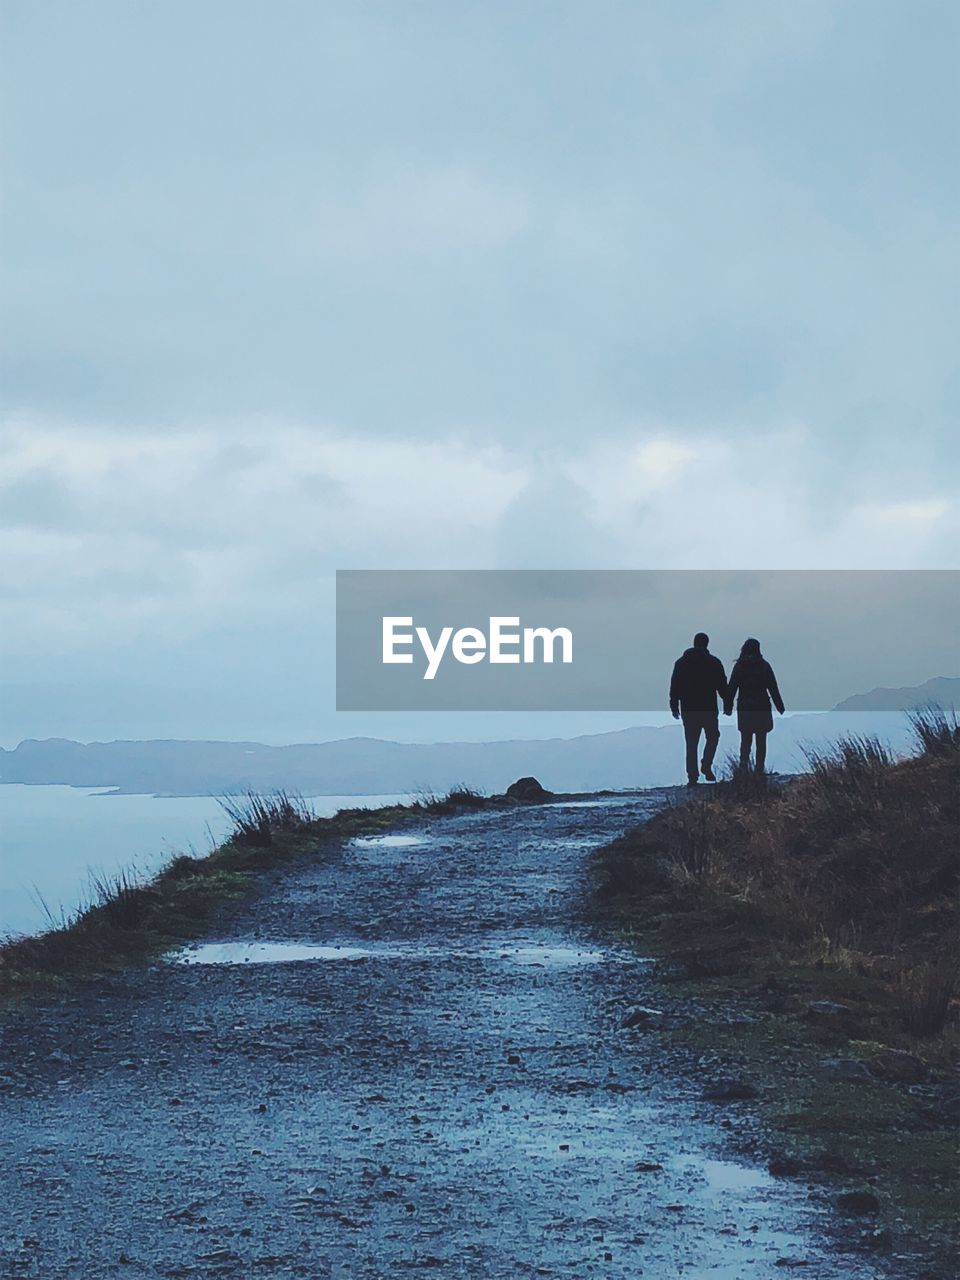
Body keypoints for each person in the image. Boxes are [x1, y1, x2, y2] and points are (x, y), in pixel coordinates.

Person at [669, 632, 729, 786]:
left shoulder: (681, 663)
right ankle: (706, 765)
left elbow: (675, 685)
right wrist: (728, 703)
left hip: (688, 709)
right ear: (707, 644)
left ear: (694, 643)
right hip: (708, 707)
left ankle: (692, 777)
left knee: (691, 743)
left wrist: (674, 705)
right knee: (713, 737)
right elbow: (722, 685)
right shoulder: (714, 662)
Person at [724, 638, 785, 773]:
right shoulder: (764, 665)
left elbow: (732, 687)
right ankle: (759, 769)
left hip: (745, 708)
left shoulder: (739, 666)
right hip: (762, 707)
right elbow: (773, 687)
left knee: (745, 740)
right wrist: (780, 707)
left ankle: (743, 767)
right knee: (761, 740)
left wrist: (727, 707)